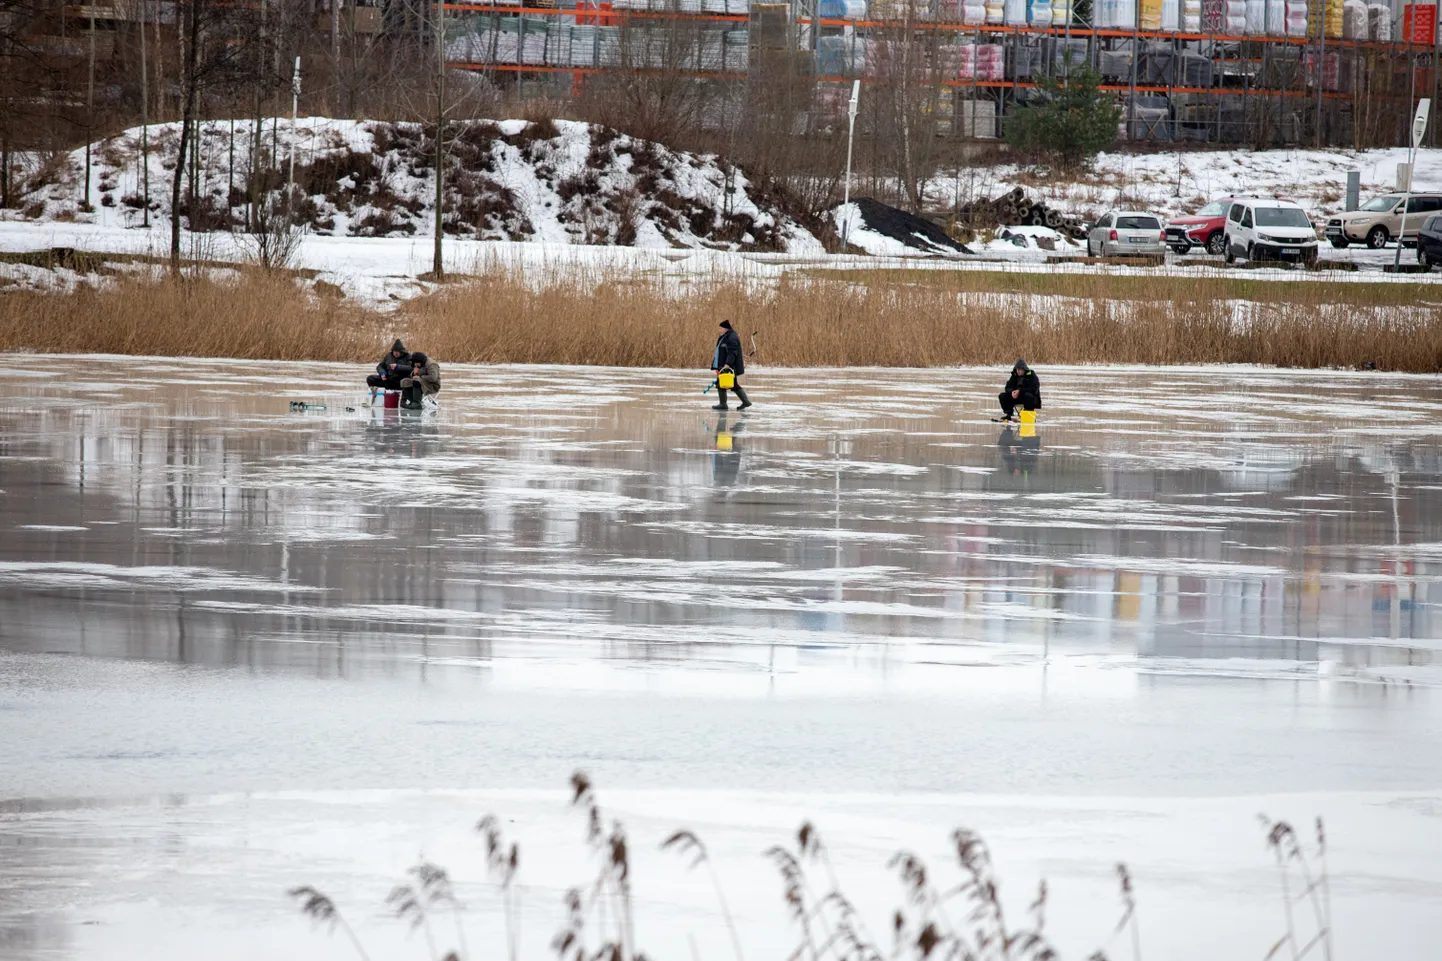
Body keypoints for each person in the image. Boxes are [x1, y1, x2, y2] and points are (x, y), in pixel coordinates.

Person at [710, 320, 751, 411]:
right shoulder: (725, 336)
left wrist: (727, 364)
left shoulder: (732, 337)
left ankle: (724, 404)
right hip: (723, 365)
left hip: (729, 366)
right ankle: (743, 402)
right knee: (727, 383)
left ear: (725, 328)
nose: (719, 330)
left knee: (729, 384)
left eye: (720, 328)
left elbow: (732, 352)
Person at [997, 358, 1041, 422]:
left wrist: (1020, 391)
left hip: (1031, 399)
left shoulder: (1031, 375)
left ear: (1024, 369)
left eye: (1020, 370)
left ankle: (1028, 415)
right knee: (1002, 396)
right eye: (1017, 369)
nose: (1018, 371)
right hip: (1017, 397)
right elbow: (1008, 387)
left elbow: (1034, 389)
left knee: (1028, 395)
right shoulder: (1014, 376)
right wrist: (1012, 392)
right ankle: (1009, 414)